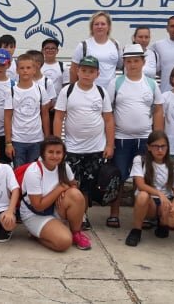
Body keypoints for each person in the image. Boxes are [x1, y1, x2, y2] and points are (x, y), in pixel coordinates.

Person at [107, 44, 164, 228]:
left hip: (145, 140)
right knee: (119, 177)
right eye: (129, 61)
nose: (132, 64)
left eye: (136, 61)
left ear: (143, 62)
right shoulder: (116, 83)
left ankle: (144, 215)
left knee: (145, 178)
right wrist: (109, 142)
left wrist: (158, 140)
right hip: (121, 139)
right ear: (124, 63)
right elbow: (108, 112)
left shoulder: (151, 84)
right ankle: (114, 214)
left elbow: (158, 110)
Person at [53, 55, 114, 226]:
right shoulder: (67, 91)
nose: (87, 74)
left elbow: (109, 119)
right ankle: (66, 215)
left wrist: (110, 145)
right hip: (72, 148)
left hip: (96, 148)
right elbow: (58, 117)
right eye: (84, 70)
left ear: (97, 74)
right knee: (71, 183)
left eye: (91, 71)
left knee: (88, 186)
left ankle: (82, 216)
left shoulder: (101, 92)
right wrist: (58, 144)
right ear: (77, 71)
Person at [18, 136, 90, 251]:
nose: (55, 156)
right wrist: (60, 189)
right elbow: (38, 206)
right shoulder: (34, 171)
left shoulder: (64, 166)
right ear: (43, 153)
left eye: (58, 152)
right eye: (50, 152)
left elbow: (73, 185)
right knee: (64, 242)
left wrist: (66, 191)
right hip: (35, 214)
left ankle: (76, 233)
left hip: (55, 207)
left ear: (63, 154)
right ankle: (36, 235)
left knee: (76, 195)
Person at [125, 131, 174, 247]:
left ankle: (162, 224)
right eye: (156, 146)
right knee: (143, 195)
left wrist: (173, 207)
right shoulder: (140, 160)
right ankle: (136, 230)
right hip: (149, 202)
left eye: (163, 146)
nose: (160, 150)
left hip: (164, 202)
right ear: (149, 147)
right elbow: (140, 185)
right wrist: (159, 194)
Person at [5, 53, 51, 167]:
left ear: (34, 70)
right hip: (17, 141)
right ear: (17, 70)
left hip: (37, 140)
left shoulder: (40, 90)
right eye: (22, 68)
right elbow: (7, 118)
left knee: (34, 172)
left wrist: (47, 138)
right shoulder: (11, 91)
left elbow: (45, 115)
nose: (25, 71)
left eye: (28, 68)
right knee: (19, 172)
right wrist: (8, 142)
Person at [70, 11, 121, 88]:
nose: (100, 26)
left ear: (108, 27)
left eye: (103, 24)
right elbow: (73, 70)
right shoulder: (83, 46)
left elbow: (122, 65)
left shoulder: (116, 44)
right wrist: (73, 90)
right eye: (96, 24)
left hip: (111, 91)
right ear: (92, 27)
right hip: (88, 91)